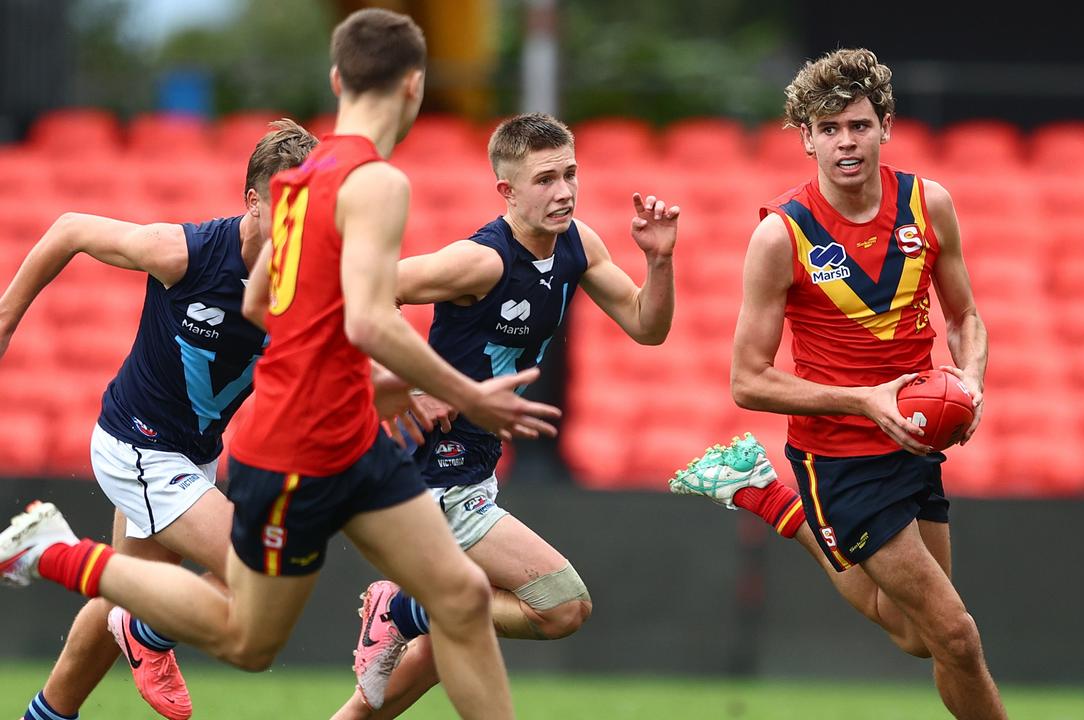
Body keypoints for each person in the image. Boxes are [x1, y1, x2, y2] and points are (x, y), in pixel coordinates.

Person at [0, 9, 559, 720]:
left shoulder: (303, 180)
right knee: (245, 633)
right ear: (414, 87)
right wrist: (462, 393)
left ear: (336, 79)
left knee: (461, 594)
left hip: (332, 431)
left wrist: (359, 379)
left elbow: (267, 302)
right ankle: (55, 552)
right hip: (287, 444)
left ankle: (63, 689)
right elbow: (366, 317)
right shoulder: (374, 181)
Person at [667, 49, 1005, 720]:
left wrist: (969, 381)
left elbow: (965, 316)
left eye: (856, 125)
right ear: (806, 139)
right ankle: (791, 500)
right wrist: (864, 401)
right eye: (827, 129)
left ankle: (776, 507)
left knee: (918, 637)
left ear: (885, 126)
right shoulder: (780, 236)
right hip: (839, 456)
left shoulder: (928, 204)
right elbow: (747, 382)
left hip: (912, 441)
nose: (844, 142)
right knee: (957, 635)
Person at [329, 112, 680, 717]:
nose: (564, 191)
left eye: (570, 174)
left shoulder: (578, 244)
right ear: (507, 191)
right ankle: (400, 607)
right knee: (560, 604)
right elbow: (349, 297)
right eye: (544, 179)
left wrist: (660, 260)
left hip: (474, 469)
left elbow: (648, 327)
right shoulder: (481, 261)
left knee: (442, 649)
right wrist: (409, 386)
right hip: (430, 475)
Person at [0, 119, 317, 720]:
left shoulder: (306, 279)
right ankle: (136, 621)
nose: (297, 223)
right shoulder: (186, 253)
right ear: (252, 201)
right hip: (136, 447)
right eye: (284, 205)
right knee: (260, 568)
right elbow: (69, 229)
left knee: (122, 592)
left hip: (190, 456)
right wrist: (7, 318)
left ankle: (46, 713)